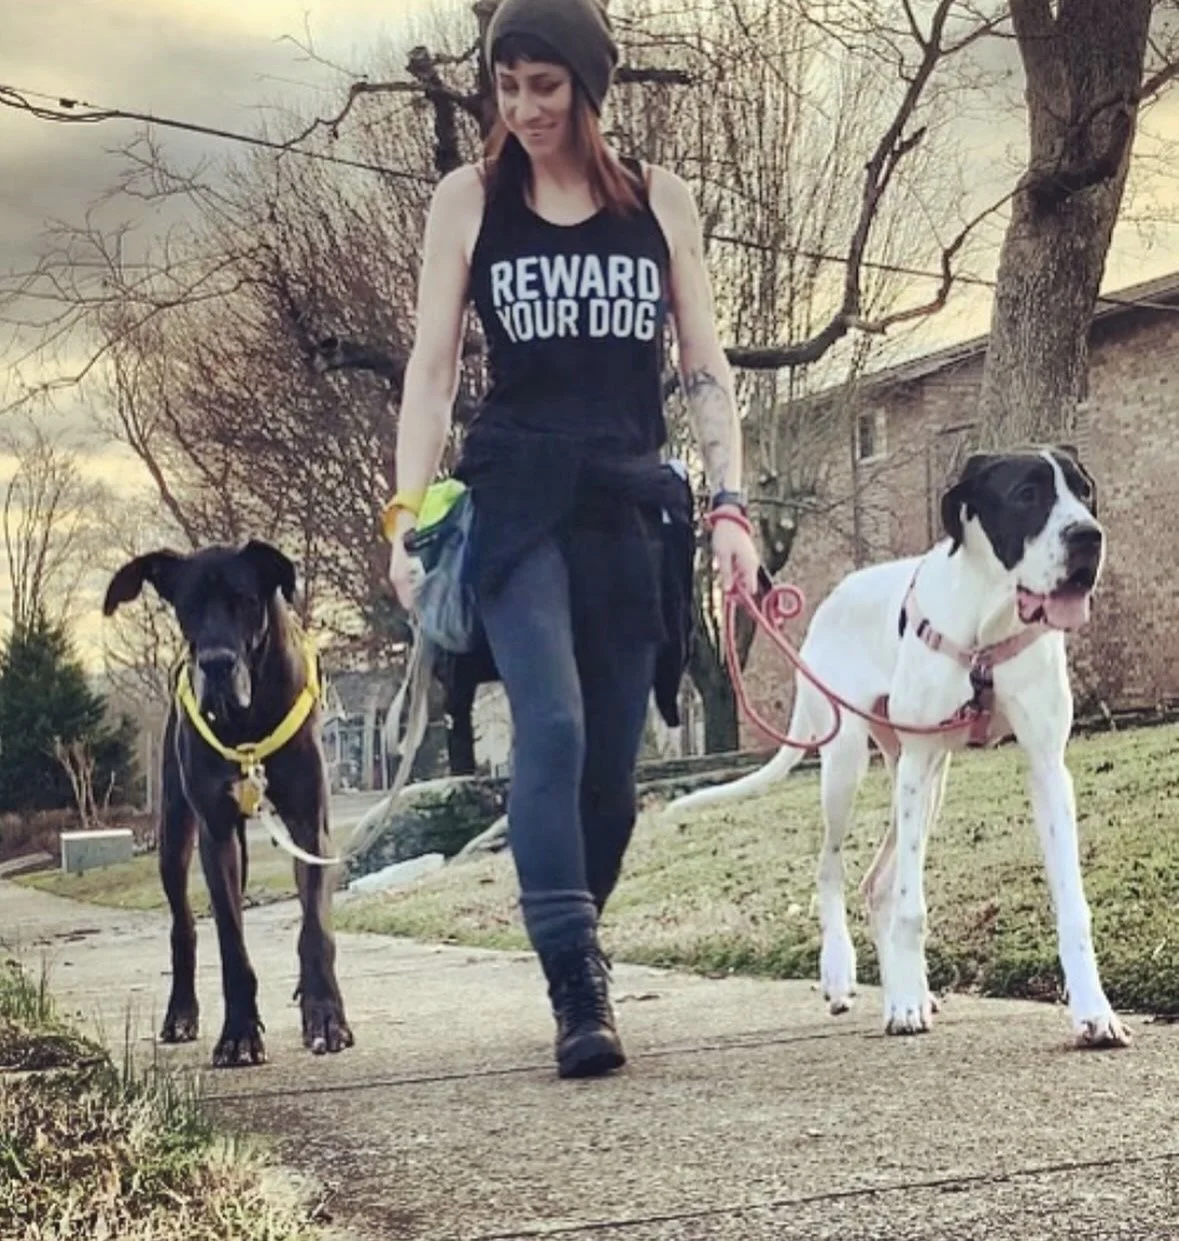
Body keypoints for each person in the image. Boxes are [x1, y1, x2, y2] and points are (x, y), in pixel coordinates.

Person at [385, 0, 761, 1079]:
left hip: (628, 501)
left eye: (545, 86)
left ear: (588, 87)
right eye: (509, 86)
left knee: (610, 775)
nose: (524, 108)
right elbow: (430, 371)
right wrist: (405, 514)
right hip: (513, 495)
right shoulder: (469, 201)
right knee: (547, 724)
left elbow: (703, 367)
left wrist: (727, 505)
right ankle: (575, 983)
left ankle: (570, 921)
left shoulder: (658, 204)